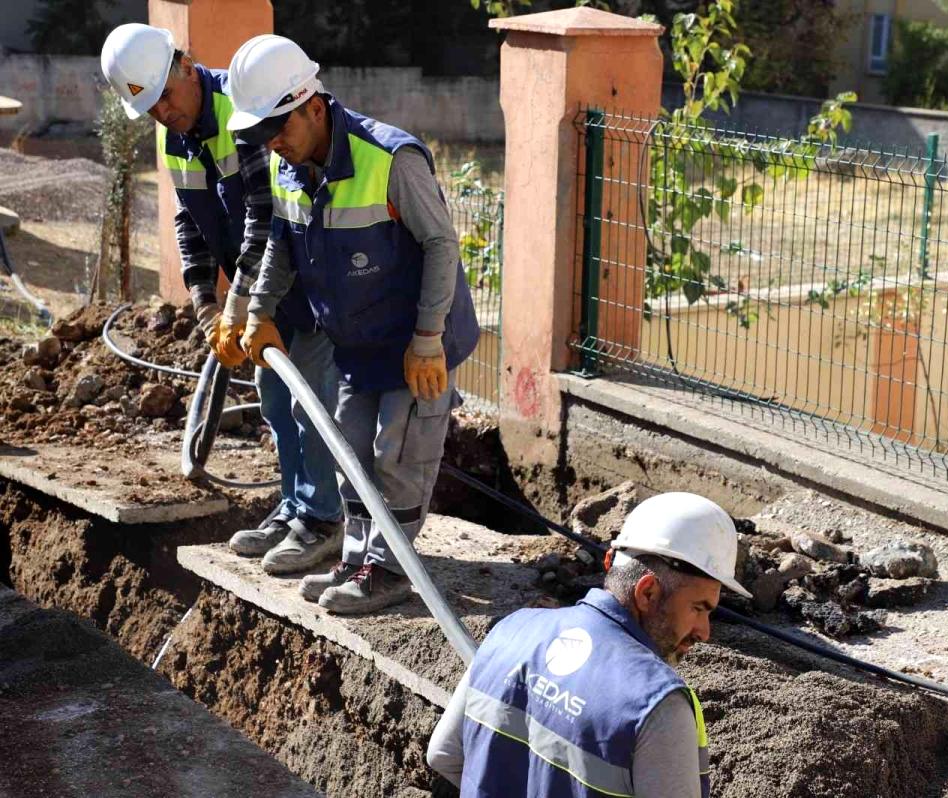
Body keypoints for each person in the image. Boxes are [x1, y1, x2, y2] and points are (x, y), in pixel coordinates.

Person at [224, 34, 480, 615]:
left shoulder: (390, 158)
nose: (274, 146)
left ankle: (389, 570)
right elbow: (281, 247)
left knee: (399, 453)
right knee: (350, 451)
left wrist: (427, 339)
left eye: (279, 129)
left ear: (314, 105)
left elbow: (441, 243)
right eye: (263, 135)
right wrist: (260, 311)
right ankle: (360, 556)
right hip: (356, 343)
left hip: (416, 340)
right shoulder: (291, 168)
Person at [99, 24, 345, 574]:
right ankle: (295, 507)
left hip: (301, 282)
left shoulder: (244, 115)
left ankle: (324, 520)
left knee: (311, 404)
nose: (163, 111)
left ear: (186, 66)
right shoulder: (176, 137)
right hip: (256, 293)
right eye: (151, 107)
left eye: (165, 94)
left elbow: (267, 214)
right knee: (277, 405)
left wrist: (238, 304)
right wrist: (204, 303)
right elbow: (190, 221)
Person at [426, 492, 750, 797]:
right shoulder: (656, 704)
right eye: (698, 608)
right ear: (647, 592)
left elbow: (443, 754)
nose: (704, 632)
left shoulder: (511, 630)